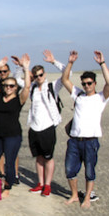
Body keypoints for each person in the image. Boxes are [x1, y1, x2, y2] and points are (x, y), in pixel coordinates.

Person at [62, 50, 109, 208]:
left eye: (89, 83)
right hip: (75, 141)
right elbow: (65, 80)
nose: (86, 86)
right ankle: (75, 195)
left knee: (89, 171)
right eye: (84, 83)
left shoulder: (100, 98)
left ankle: (87, 199)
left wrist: (102, 63)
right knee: (70, 169)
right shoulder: (78, 95)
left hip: (90, 141)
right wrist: (70, 62)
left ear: (94, 83)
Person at [0, 55, 31, 198]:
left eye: (12, 86)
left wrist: (25, 68)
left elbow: (28, 86)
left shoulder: (19, 99)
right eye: (6, 85)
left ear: (16, 87)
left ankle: (7, 187)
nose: (8, 88)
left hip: (12, 136)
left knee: (10, 163)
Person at [26, 49, 68, 197]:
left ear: (45, 74)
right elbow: (20, 82)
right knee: (38, 157)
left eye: (41, 75)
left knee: (48, 157)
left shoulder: (52, 86)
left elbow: (66, 73)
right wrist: (23, 67)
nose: (39, 78)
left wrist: (53, 61)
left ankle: (48, 185)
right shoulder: (32, 88)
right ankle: (40, 183)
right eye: (36, 76)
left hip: (48, 127)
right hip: (34, 127)